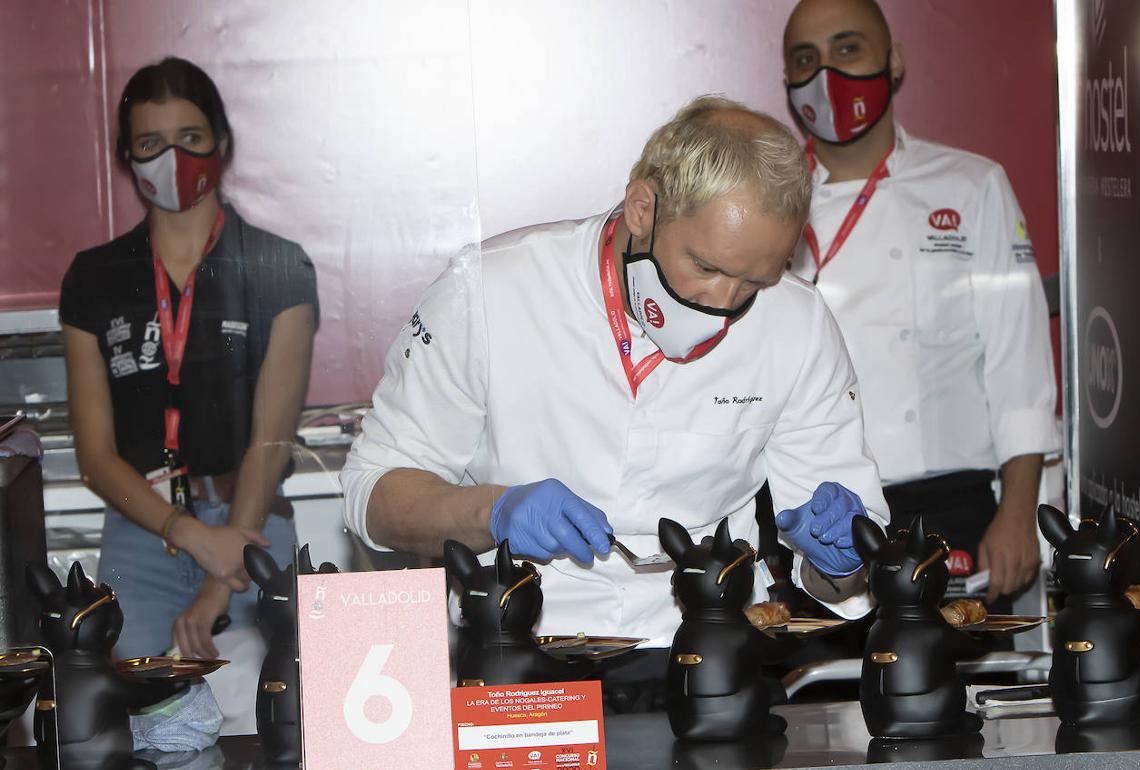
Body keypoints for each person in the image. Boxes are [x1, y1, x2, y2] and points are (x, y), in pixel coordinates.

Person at [342, 95, 889, 705]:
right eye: (705, 266)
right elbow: (373, 494)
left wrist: (843, 562)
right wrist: (494, 512)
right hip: (514, 657)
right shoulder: (492, 291)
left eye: (754, 282)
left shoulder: (799, 323)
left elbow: (845, 575)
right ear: (642, 207)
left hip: (711, 661)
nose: (725, 302)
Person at [781, 0, 1059, 604]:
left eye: (848, 48)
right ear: (787, 80)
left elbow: (1019, 362)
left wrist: (1018, 512)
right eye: (806, 59)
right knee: (812, 695)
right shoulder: (767, 205)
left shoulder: (972, 185)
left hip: (948, 506)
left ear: (894, 61)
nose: (826, 74)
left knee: (956, 696)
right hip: (807, 508)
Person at [59, 57, 318, 663]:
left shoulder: (280, 267)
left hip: (253, 528)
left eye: (190, 139)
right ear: (127, 156)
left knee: (281, 721)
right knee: (142, 728)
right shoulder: (93, 279)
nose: (172, 158)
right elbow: (95, 458)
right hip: (143, 533)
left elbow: (269, 443)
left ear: (221, 144)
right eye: (151, 143)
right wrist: (191, 536)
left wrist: (217, 581)